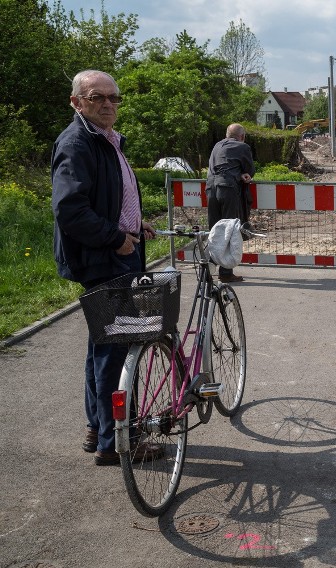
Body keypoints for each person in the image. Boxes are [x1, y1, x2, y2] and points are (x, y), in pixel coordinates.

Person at [52, 69, 160, 466]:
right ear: (77, 102)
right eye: (97, 97)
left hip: (114, 251)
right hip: (104, 258)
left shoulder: (104, 140)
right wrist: (116, 238)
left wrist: (134, 223)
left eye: (113, 98)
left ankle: (98, 427)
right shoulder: (78, 142)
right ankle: (117, 443)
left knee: (102, 344)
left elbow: (107, 195)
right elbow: (70, 210)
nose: (108, 104)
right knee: (114, 350)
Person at [206, 123, 255, 282]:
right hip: (227, 190)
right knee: (229, 229)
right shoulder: (243, 147)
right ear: (242, 136)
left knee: (214, 230)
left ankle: (208, 271)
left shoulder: (216, 146)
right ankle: (226, 273)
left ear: (227, 135)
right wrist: (243, 174)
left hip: (211, 189)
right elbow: (249, 170)